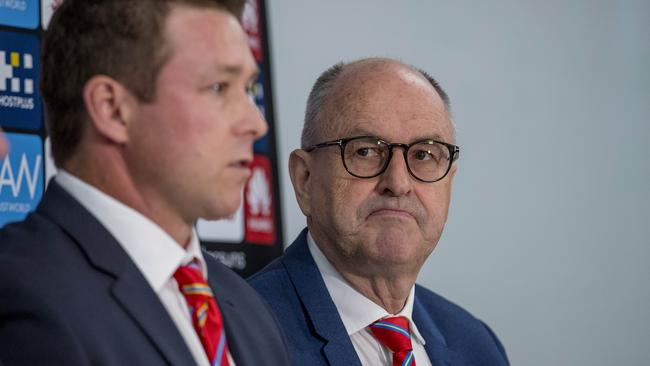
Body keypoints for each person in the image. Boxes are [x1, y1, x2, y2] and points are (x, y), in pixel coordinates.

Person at [0, 1, 290, 365]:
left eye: (248, 88)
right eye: (219, 87)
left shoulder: (250, 307)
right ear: (112, 109)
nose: (256, 123)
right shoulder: (21, 295)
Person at [249, 58, 510, 365]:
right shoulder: (243, 332)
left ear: (449, 182)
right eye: (365, 151)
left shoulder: (477, 345)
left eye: (424, 155)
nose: (398, 183)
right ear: (305, 179)